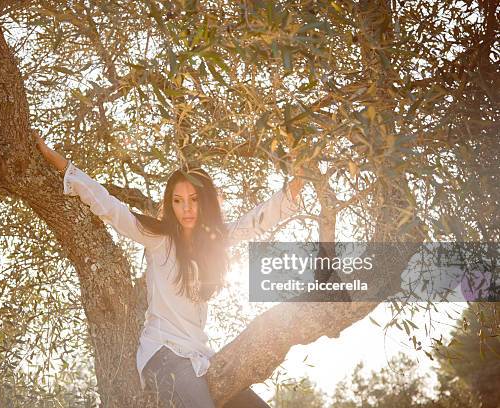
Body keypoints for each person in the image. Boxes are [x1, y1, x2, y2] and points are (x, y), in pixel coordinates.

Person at [34, 132, 306, 407]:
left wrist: (295, 186)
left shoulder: (214, 241)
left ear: (205, 201)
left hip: (200, 356)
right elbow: (109, 207)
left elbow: (254, 222)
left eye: (193, 199)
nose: (186, 208)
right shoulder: (158, 239)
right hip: (162, 355)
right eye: (177, 200)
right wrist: (56, 161)